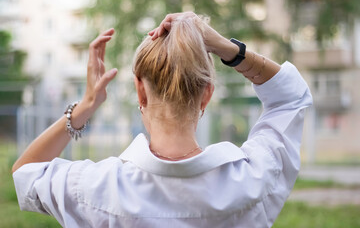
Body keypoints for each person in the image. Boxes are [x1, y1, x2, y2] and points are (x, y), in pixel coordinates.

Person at [12, 12, 312, 227]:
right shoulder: (253, 180)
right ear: (206, 95)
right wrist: (227, 48)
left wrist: (86, 106)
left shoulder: (96, 188)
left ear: (140, 92)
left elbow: (25, 173)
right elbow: (291, 97)